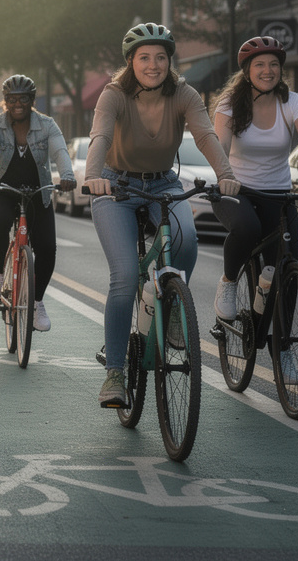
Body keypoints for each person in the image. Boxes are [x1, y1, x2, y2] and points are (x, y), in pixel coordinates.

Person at [84, 23, 240, 409]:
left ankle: (170, 308)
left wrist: (227, 174)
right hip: (115, 186)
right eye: (144, 58)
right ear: (131, 62)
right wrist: (91, 177)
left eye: (160, 57)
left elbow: (205, 135)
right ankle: (115, 374)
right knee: (123, 275)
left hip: (163, 184)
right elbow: (101, 136)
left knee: (186, 239)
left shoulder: (184, 93)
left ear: (170, 61)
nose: (153, 65)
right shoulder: (113, 94)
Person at [211, 37, 298, 328]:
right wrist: (224, 177)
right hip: (237, 192)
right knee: (248, 228)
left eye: (274, 64)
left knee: (286, 271)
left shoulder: (293, 102)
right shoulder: (229, 104)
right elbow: (221, 145)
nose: (268, 70)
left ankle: (282, 351)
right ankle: (228, 282)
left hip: (278, 195)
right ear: (247, 70)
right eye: (260, 64)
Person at [0, 74, 75, 331]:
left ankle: (37, 301)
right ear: (5, 101)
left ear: (32, 101)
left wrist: (68, 176)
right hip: (0, 190)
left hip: (37, 192)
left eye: (24, 99)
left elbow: (60, 151)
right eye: (12, 99)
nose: (18, 104)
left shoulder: (47, 125)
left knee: (48, 247)